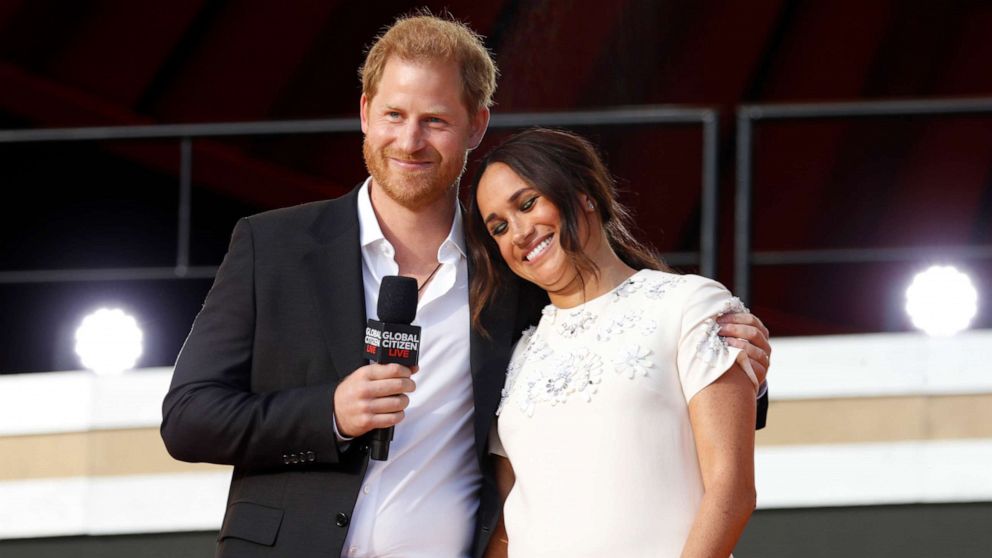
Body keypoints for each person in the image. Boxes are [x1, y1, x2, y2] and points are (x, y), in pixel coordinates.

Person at [160, 12, 772, 558]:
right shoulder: (273, 246)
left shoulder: (510, 266)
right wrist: (330, 414)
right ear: (366, 111)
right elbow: (188, 419)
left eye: (436, 121)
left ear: (477, 125)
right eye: (395, 115)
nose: (410, 140)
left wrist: (735, 364)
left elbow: (611, 339)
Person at [467, 127, 759, 558]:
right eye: (499, 227)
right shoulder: (517, 355)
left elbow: (731, 489)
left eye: (528, 204)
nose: (518, 233)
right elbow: (507, 524)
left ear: (583, 192)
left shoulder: (689, 305)